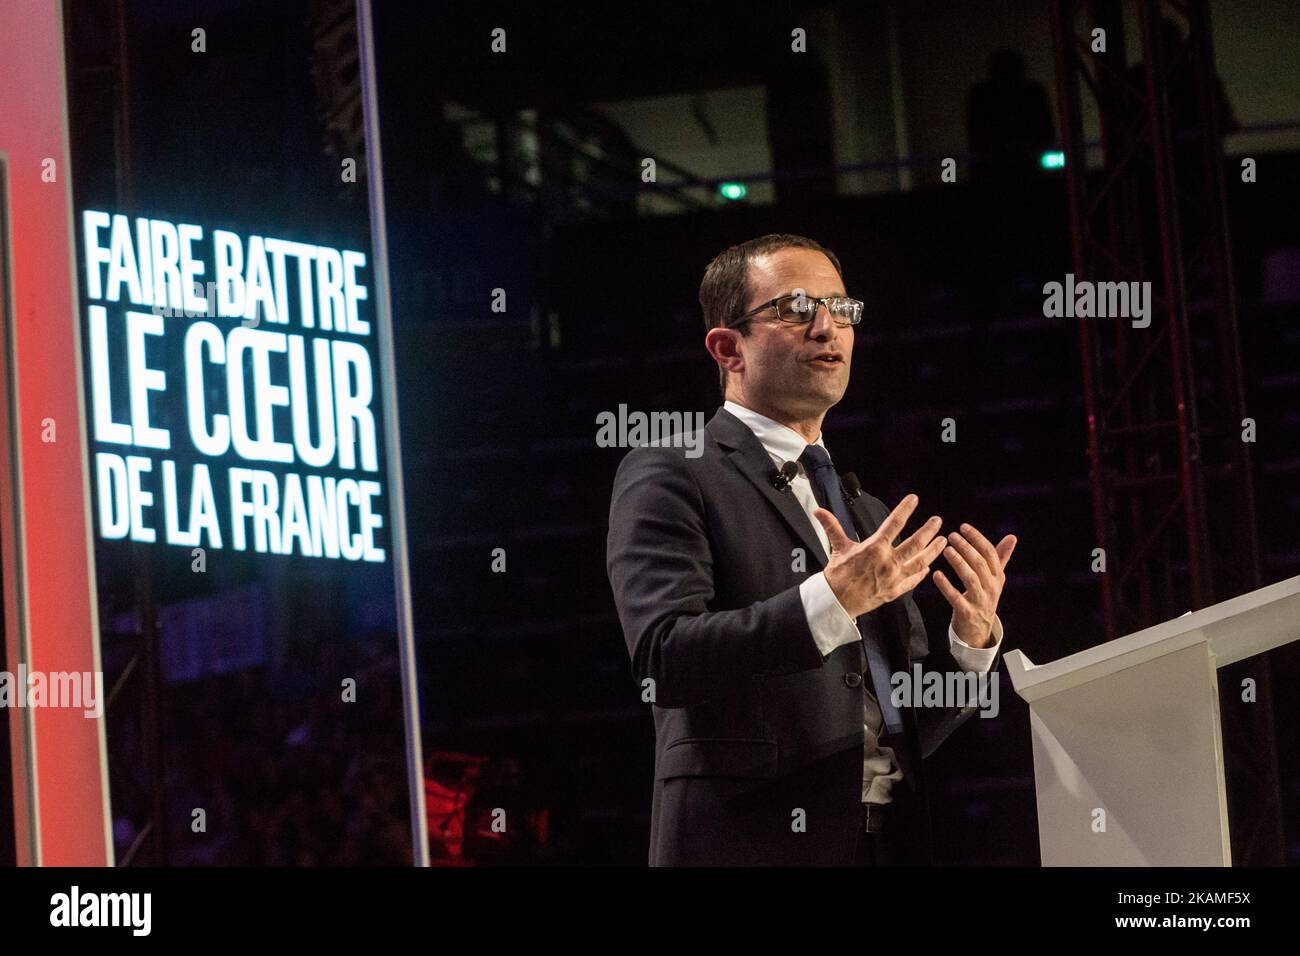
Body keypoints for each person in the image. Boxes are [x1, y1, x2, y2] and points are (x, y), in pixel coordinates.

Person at [606, 234, 1017, 866]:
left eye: (841, 308)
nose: (828, 328)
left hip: (886, 843)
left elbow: (902, 726)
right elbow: (666, 657)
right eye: (795, 308)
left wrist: (969, 649)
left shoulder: (864, 513)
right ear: (727, 347)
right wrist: (831, 598)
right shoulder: (672, 470)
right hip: (750, 844)